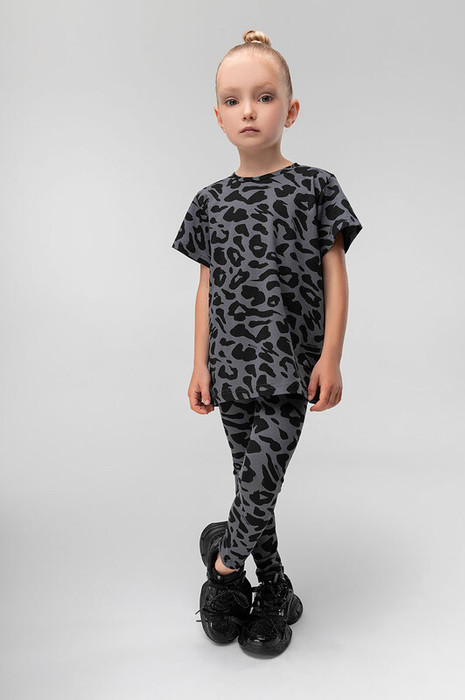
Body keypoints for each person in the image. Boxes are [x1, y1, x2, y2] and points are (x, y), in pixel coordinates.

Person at [171, 29, 363, 657]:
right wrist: (198, 365)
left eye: (264, 96)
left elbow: (336, 276)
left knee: (260, 478)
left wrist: (331, 355)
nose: (248, 111)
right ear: (217, 115)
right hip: (230, 368)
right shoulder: (209, 202)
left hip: (289, 366)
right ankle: (275, 589)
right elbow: (205, 289)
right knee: (256, 484)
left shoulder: (315, 188)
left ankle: (224, 569)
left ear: (291, 108)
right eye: (233, 100)